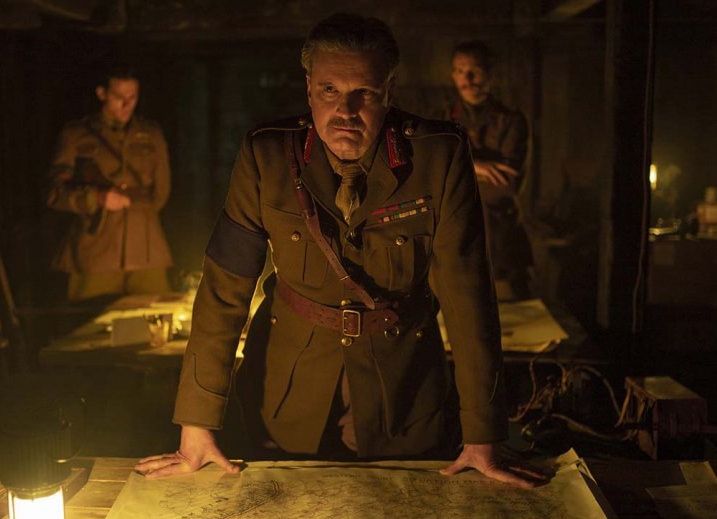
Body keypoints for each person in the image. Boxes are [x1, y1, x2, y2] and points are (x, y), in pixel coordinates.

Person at [136, 14, 546, 489]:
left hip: (405, 393)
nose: (345, 111)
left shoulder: (438, 156)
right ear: (309, 89)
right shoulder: (267, 156)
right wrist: (197, 425)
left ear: (389, 92)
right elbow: (224, 289)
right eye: (329, 91)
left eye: (364, 94)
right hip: (288, 394)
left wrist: (483, 434)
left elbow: (468, 298)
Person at [47, 66, 173, 301]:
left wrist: (139, 216)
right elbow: (55, 193)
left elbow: (161, 191)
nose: (126, 105)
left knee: (154, 321)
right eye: (118, 97)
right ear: (102, 94)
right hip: (96, 250)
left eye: (132, 97)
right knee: (91, 328)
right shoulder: (76, 135)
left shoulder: (151, 134)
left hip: (145, 249)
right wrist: (97, 198)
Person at [449, 41, 534, 301]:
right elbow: (431, 174)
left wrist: (455, 168)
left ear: (490, 73)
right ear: (453, 75)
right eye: (461, 71)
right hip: (454, 240)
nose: (468, 78)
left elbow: (505, 182)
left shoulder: (511, 120)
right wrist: (476, 165)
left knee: (516, 322)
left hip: (501, 242)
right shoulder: (442, 119)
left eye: (474, 70)